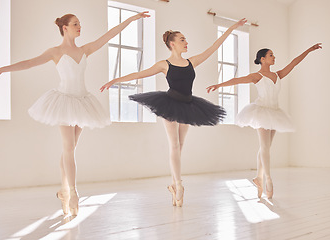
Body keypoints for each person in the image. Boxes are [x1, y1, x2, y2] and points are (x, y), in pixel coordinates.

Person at [0, 12, 150, 216]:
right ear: (65, 28)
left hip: (82, 102)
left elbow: (108, 36)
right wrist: (2, 69)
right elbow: (29, 63)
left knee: (69, 150)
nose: (79, 27)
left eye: (80, 24)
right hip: (63, 101)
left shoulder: (84, 50)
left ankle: (64, 191)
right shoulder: (55, 52)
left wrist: (131, 20)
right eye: (75, 24)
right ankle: (73, 192)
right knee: (69, 149)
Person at [100, 19, 246, 207]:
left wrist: (232, 28)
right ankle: (178, 184)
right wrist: (115, 80)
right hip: (169, 104)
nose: (186, 43)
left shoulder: (191, 61)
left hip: (188, 104)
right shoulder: (164, 64)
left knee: (180, 145)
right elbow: (140, 74)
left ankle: (173, 184)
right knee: (174, 145)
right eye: (183, 39)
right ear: (172, 43)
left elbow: (214, 47)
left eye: (186, 40)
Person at [206, 43, 322, 199]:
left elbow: (294, 62)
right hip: (260, 111)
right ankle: (268, 179)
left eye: (273, 55)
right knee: (265, 148)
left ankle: (258, 178)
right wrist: (218, 85)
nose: (274, 57)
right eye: (271, 55)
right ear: (262, 59)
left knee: (265, 148)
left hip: (274, 112)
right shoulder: (257, 76)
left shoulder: (278, 75)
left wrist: (309, 50)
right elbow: (237, 80)